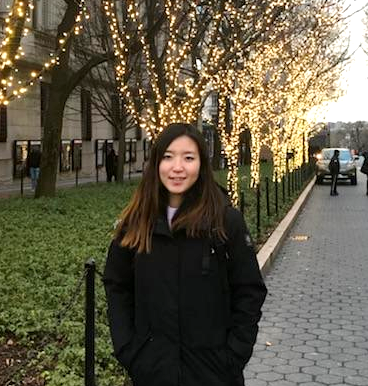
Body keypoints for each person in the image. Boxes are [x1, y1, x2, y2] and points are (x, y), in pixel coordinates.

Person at [103, 123, 267, 386]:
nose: (177, 167)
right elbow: (117, 285)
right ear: (156, 163)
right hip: (153, 371)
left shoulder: (225, 221)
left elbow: (249, 291)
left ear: (201, 163)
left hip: (214, 373)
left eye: (188, 158)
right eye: (168, 157)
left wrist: (233, 356)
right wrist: (129, 350)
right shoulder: (135, 223)